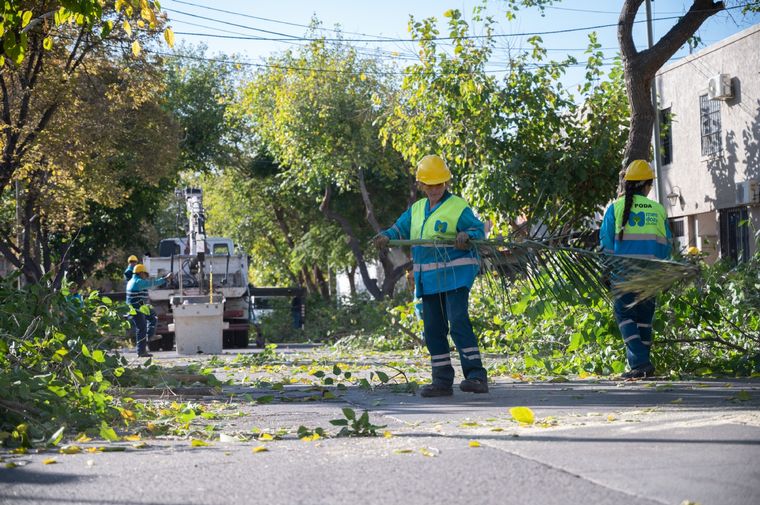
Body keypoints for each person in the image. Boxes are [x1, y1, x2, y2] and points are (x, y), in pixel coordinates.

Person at [375, 154, 488, 397]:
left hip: (455, 277)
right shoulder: (416, 210)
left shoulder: (458, 206)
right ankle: (442, 382)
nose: (435, 189)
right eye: (430, 184)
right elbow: (398, 228)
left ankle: (477, 376)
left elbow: (478, 230)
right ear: (422, 185)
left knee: (458, 322)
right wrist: (386, 235)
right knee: (433, 330)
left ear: (446, 183)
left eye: (439, 184)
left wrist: (466, 236)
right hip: (429, 282)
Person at [600, 160, 672, 380]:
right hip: (650, 276)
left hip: (623, 276)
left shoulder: (615, 208)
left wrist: (607, 272)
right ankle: (643, 366)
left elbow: (606, 244)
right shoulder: (658, 209)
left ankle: (640, 362)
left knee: (625, 317)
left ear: (628, 184)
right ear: (648, 185)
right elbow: (666, 245)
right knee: (644, 320)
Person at [126, 264, 171, 357]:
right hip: (136, 309)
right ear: (141, 273)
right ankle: (141, 351)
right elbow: (152, 283)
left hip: (140, 306)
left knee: (153, 316)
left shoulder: (132, 280)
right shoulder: (138, 282)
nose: (146, 276)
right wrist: (165, 279)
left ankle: (150, 335)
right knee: (141, 328)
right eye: (145, 274)